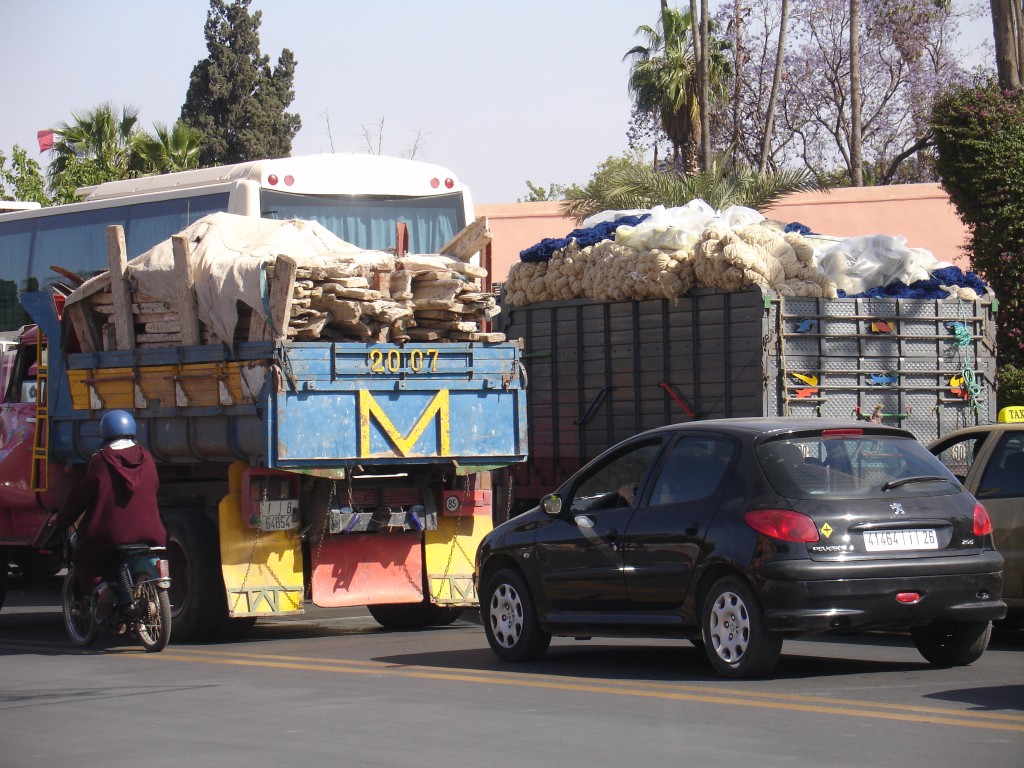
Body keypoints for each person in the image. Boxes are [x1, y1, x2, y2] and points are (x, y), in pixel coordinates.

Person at [49, 410, 165, 612]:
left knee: (84, 556)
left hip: (111, 534)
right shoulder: (146, 457)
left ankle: (102, 589)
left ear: (104, 433)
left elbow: (80, 497)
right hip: (151, 531)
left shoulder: (101, 461)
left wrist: (60, 520)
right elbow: (154, 487)